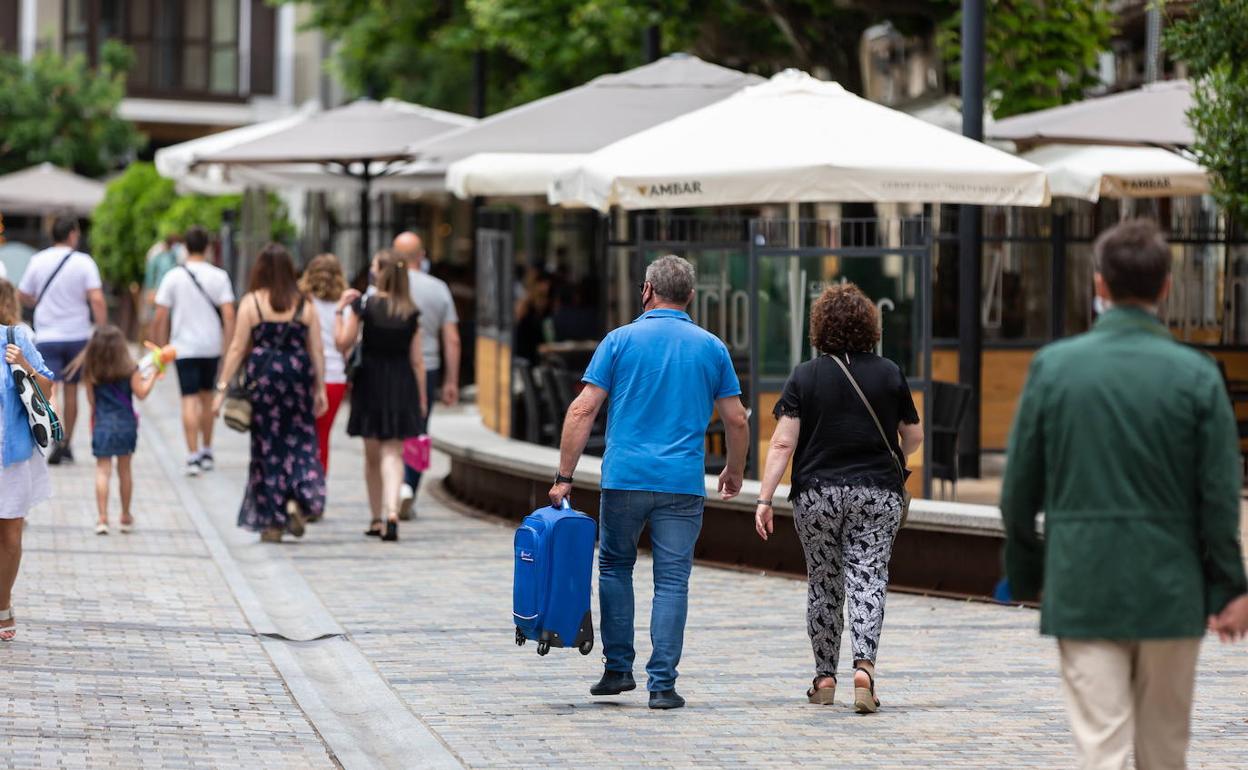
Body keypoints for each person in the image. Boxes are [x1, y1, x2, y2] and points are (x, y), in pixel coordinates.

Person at [1001, 219, 1248, 770]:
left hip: (1084, 585)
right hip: (1170, 590)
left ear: (1100, 286)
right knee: (1164, 752)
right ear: (1165, 287)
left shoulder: (1055, 369)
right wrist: (1230, 586)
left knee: (1101, 748)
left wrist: (1027, 572)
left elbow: (1017, 492)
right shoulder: (1198, 375)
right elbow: (1218, 497)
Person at [548, 255, 748, 710]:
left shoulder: (619, 341)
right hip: (682, 483)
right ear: (690, 297)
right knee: (672, 582)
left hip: (624, 480)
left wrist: (564, 477)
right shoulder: (711, 347)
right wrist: (734, 469)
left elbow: (582, 409)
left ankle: (618, 670)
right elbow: (736, 419)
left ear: (646, 290)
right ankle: (663, 685)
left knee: (616, 567)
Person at [753, 283, 923, 712]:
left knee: (824, 583)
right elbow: (914, 438)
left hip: (817, 494)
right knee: (867, 577)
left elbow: (782, 443)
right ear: (870, 325)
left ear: (819, 327)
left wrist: (764, 499)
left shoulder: (805, 376)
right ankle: (863, 668)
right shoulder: (889, 373)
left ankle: (824, 677)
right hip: (877, 493)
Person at [213, 244, 328, 543]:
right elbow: (316, 349)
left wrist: (222, 389)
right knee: (300, 444)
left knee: (267, 450)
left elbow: (237, 348)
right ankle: (295, 501)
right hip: (297, 379)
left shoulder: (252, 303)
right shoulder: (305, 304)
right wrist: (321, 388)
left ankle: (272, 522)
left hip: (264, 381)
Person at [335, 250, 428, 542]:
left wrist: (340, 312)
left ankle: (376, 517)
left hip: (370, 382)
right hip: (401, 383)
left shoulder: (365, 305)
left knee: (372, 454)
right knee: (393, 452)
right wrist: (422, 398)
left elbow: (343, 343)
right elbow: (417, 361)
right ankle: (391, 511)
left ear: (380, 273)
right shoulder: (410, 312)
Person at [16, 216, 107, 465]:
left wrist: (38, 304)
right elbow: (97, 299)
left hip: (46, 334)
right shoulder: (84, 262)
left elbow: (22, 293)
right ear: (72, 234)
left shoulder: (38, 260)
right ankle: (67, 444)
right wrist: (102, 329)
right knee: (72, 391)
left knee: (49, 387)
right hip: (77, 335)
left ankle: (56, 435)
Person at [152, 226, 236, 476]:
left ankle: (192, 455)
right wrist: (228, 345)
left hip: (183, 348)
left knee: (188, 399)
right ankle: (208, 450)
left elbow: (159, 316)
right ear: (208, 247)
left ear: (185, 248)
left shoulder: (173, 276)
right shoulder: (219, 276)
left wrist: (160, 348)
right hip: (211, 346)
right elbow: (229, 315)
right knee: (207, 398)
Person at [392, 231, 460, 519]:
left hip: (392, 368)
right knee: (418, 432)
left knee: (392, 433)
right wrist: (451, 381)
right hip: (428, 368)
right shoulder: (438, 288)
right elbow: (452, 339)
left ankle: (393, 490)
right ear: (422, 256)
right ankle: (409, 487)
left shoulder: (384, 288)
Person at [68, 326, 159, 535]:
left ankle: (102, 518)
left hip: (103, 424)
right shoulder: (131, 370)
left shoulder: (92, 371)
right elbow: (142, 393)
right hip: (127, 425)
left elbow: (92, 402)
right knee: (125, 470)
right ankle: (125, 516)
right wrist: (154, 374)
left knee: (102, 470)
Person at [0, 318, 54, 641]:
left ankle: (2, 602)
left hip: (11, 456)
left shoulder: (13, 336)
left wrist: (23, 364)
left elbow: (47, 385)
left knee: (10, 535)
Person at [299, 253, 351, 475]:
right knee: (323, 437)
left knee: (301, 435)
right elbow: (348, 347)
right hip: (335, 377)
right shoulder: (345, 307)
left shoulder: (302, 303)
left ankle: (300, 484)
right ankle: (317, 489)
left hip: (305, 375)